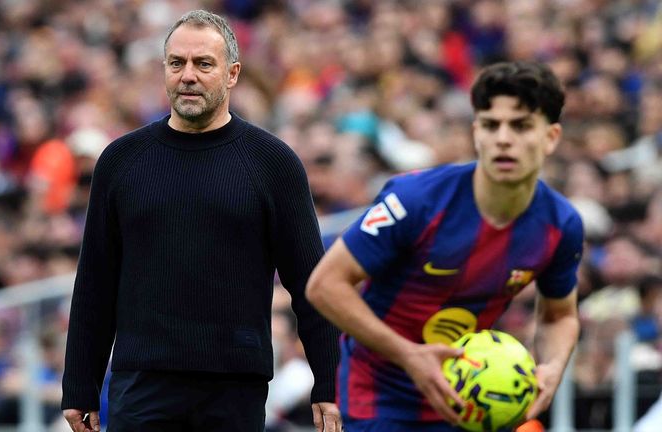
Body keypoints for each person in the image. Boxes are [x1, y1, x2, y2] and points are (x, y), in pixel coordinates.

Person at [61, 9, 341, 432]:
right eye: (177, 63)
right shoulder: (121, 161)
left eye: (203, 63)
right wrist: (80, 386)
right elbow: (95, 281)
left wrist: (330, 382)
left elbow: (311, 284)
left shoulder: (272, 163)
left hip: (234, 387)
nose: (187, 75)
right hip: (141, 383)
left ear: (232, 74)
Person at [306, 61, 584, 431]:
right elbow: (324, 285)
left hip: (470, 404)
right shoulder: (417, 200)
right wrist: (409, 355)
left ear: (551, 137)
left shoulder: (560, 225)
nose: (503, 138)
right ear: (476, 132)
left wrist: (552, 367)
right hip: (379, 397)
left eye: (520, 125)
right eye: (490, 124)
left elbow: (559, 315)